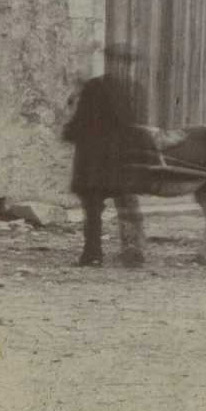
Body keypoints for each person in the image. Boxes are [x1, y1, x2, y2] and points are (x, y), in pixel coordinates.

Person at [63, 47, 148, 268]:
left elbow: (80, 123)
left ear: (109, 62)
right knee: (128, 206)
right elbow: (136, 126)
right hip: (123, 160)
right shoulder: (136, 89)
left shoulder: (94, 87)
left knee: (92, 210)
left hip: (94, 162)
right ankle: (134, 252)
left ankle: (92, 254)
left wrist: (69, 131)